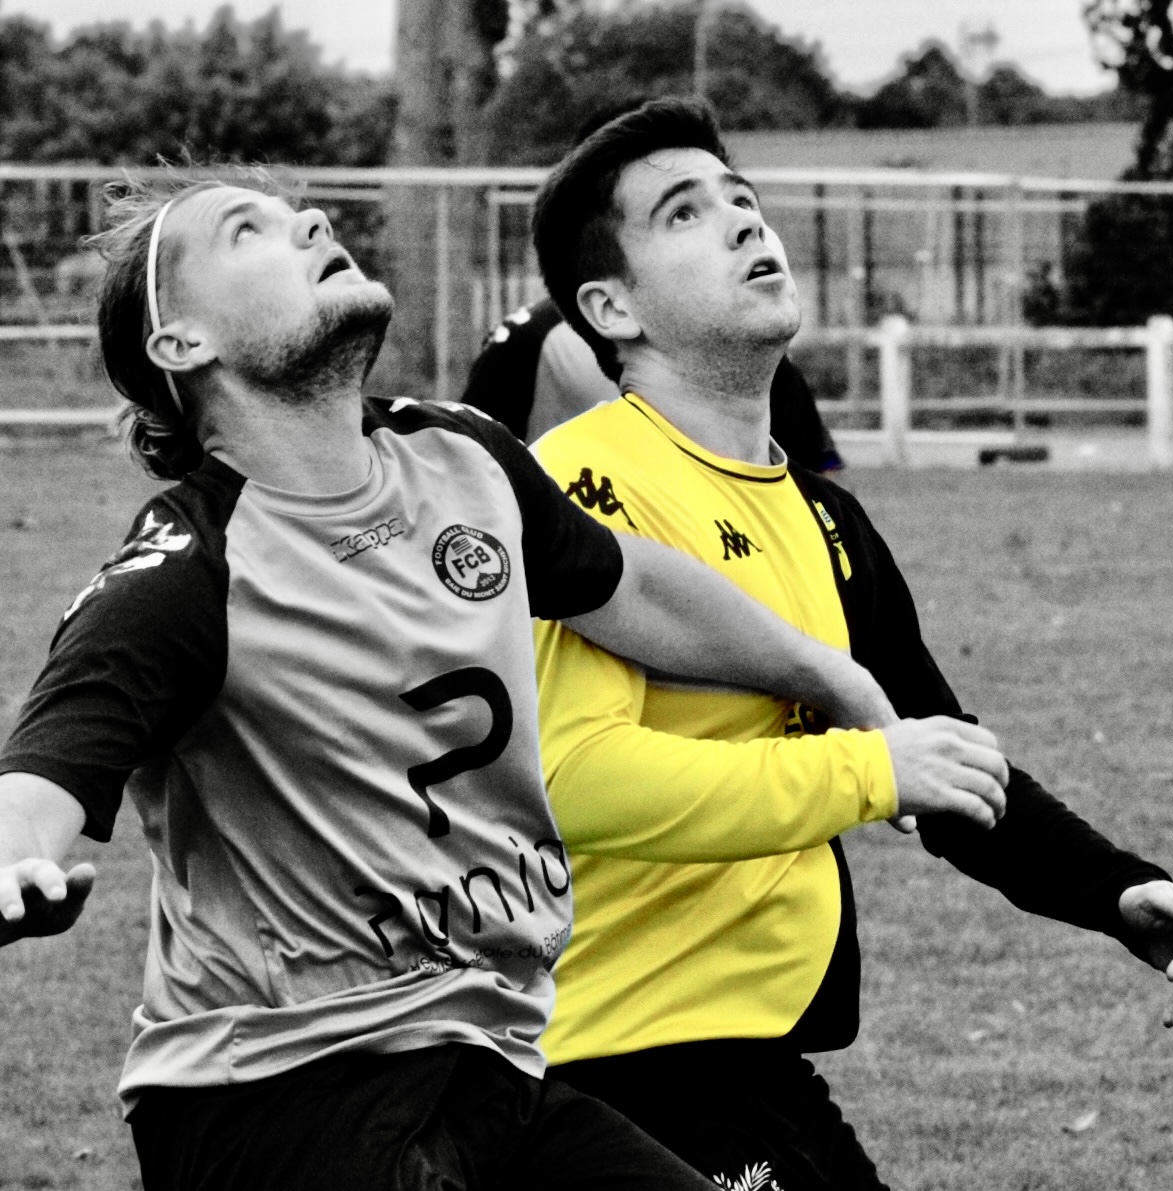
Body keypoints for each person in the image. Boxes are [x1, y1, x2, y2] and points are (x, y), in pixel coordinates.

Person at [0, 172, 1010, 1191]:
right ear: (181, 343)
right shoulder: (187, 570)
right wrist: (14, 864)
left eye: (298, 210)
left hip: (487, 1065)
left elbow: (630, 587)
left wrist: (834, 679)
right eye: (246, 230)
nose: (309, 221)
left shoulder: (462, 459)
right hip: (277, 1094)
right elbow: (48, 768)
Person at [527, 97, 1173, 1191]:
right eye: (685, 213)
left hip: (749, 1061)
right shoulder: (577, 493)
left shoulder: (827, 522)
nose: (744, 222)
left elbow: (942, 757)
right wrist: (869, 769)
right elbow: (576, 776)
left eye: (742, 198)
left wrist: (1121, 895)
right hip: (609, 1064)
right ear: (612, 306)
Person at [461, 295, 843, 472]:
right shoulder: (530, 337)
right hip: (578, 573)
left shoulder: (743, 337)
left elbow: (818, 471)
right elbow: (469, 466)